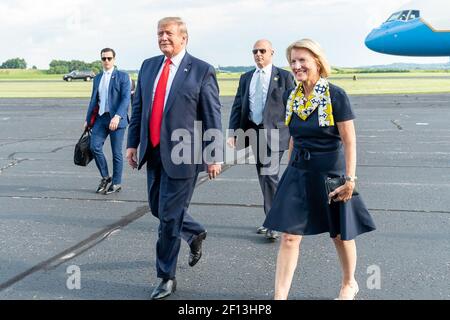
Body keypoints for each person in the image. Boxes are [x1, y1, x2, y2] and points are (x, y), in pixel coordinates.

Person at [263, 39, 376, 300]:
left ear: (317, 61)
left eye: (303, 60)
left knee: (339, 235)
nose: (297, 65)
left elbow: (349, 140)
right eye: (293, 61)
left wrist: (350, 179)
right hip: (298, 171)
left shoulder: (336, 94)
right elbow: (293, 137)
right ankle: (280, 296)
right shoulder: (291, 95)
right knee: (289, 236)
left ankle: (349, 283)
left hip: (330, 174)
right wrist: (289, 170)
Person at [126, 17, 223, 300]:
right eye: (159, 33)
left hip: (185, 154)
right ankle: (194, 232)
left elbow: (212, 116)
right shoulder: (148, 66)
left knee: (168, 219)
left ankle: (166, 277)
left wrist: (213, 155)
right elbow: (139, 108)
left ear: (184, 38)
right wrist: (133, 144)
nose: (163, 37)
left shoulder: (201, 71)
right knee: (158, 208)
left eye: (168, 33)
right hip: (152, 151)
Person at [228, 40, 295, 241]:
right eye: (255, 51)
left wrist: (296, 133)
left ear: (272, 53)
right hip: (254, 132)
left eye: (262, 51)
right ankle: (271, 219)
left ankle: (275, 222)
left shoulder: (283, 77)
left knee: (269, 175)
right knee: (264, 176)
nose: (258, 54)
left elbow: (292, 106)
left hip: (276, 133)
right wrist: (233, 132)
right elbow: (238, 105)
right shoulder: (246, 77)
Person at [84, 48, 131, 194]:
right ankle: (105, 177)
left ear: (114, 59)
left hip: (117, 119)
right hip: (101, 118)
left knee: (116, 153)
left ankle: (117, 183)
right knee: (94, 146)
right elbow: (94, 99)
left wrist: (117, 116)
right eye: (104, 59)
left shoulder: (123, 77)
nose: (106, 61)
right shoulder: (97, 78)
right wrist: (87, 119)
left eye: (109, 58)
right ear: (101, 60)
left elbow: (125, 98)